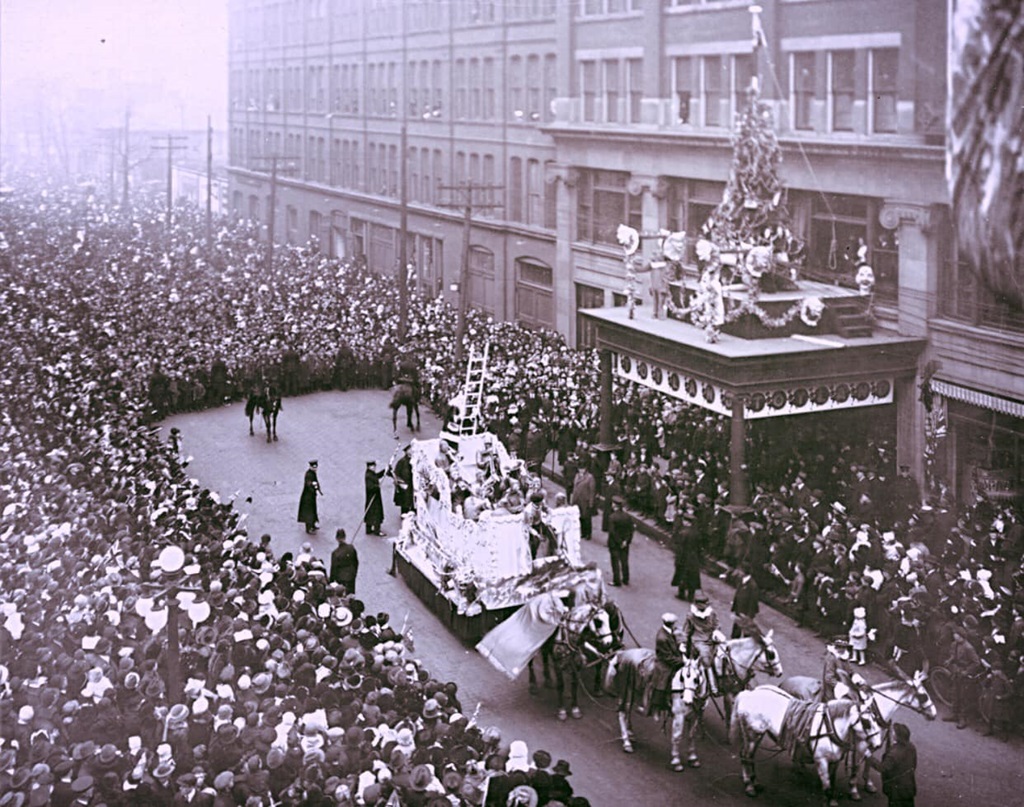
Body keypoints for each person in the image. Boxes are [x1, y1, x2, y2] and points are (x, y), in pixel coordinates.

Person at [683, 591, 726, 696]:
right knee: (706, 661)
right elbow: (686, 631)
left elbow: (717, 624)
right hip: (698, 641)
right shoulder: (691, 616)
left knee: (725, 654)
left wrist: (716, 631)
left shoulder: (711, 613)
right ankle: (713, 687)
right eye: (701, 606)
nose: (703, 608)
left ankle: (724, 679)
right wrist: (683, 643)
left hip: (712, 639)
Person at [869, 722, 917, 807]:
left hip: (896, 791)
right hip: (909, 787)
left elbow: (882, 767)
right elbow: (914, 765)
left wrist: (869, 757)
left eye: (893, 732)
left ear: (897, 736)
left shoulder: (894, 754)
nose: (892, 733)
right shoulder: (911, 747)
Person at [942, 627, 981, 729]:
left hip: (964, 675)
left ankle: (963, 719)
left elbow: (976, 663)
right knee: (955, 694)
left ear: (962, 636)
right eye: (954, 634)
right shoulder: (954, 644)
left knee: (963, 697)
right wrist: (949, 660)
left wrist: (966, 671)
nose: (955, 636)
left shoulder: (969, 648)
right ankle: (955, 715)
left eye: (957, 634)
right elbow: (953, 655)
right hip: (956, 672)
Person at [648, 613, 684, 717]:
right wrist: (682, 661)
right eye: (674, 623)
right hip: (664, 663)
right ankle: (656, 706)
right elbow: (667, 657)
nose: (676, 625)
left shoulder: (669, 631)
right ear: (671, 624)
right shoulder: (662, 637)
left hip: (674, 657)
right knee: (663, 681)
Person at [671, 510, 701, 602]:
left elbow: (680, 548)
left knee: (682, 574)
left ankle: (681, 593)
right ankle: (691, 595)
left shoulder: (683, 533)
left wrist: (677, 559)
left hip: (684, 557)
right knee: (692, 576)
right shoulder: (696, 533)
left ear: (687, 522)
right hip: (693, 557)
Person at [606, 496, 633, 587]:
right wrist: (626, 541)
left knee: (615, 562)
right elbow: (631, 530)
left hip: (614, 543)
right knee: (624, 561)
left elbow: (612, 532)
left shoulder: (612, 517)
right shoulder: (627, 516)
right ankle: (626, 579)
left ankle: (616, 580)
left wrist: (619, 541)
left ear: (614, 505)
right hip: (625, 543)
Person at [731, 565, 760, 638]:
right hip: (739, 609)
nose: (738, 572)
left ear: (744, 572)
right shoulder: (741, 580)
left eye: (740, 570)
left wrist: (749, 615)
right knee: (736, 631)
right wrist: (734, 607)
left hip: (746, 613)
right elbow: (737, 594)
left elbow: (753, 602)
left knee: (746, 632)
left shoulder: (753, 586)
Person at [570, 462, 596, 541]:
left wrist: (591, 503)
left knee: (587, 518)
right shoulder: (577, 476)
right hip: (577, 500)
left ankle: (588, 533)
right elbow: (574, 488)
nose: (581, 470)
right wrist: (573, 499)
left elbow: (592, 491)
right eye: (580, 469)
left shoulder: (590, 477)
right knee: (580, 517)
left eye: (582, 469)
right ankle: (583, 532)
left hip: (585, 501)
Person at [329, 528, 359, 594]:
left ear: (336, 539)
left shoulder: (335, 553)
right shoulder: (351, 548)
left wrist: (331, 581)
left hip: (340, 577)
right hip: (350, 576)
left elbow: (333, 568)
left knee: (340, 594)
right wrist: (354, 572)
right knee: (350, 594)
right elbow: (356, 562)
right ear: (345, 537)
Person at [297, 460, 321, 534]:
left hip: (312, 496)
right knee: (308, 512)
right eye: (314, 467)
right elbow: (308, 483)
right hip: (308, 497)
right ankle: (308, 528)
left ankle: (313, 525)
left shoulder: (312, 473)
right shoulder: (308, 474)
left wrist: (317, 488)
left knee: (313, 511)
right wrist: (313, 486)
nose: (315, 468)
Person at [364, 459, 387, 536]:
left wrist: (384, 471)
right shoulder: (368, 476)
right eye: (373, 466)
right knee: (376, 513)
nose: (374, 467)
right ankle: (377, 530)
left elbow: (376, 476)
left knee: (370, 512)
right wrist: (377, 487)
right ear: (369, 467)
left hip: (372, 497)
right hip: (373, 497)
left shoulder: (370, 474)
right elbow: (370, 487)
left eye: (374, 466)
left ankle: (369, 528)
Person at [393, 445, 414, 515]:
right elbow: (396, 474)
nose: (411, 451)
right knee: (405, 502)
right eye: (410, 450)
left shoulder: (414, 460)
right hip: (405, 486)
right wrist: (401, 484)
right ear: (406, 452)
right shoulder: (402, 462)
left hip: (412, 485)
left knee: (412, 500)